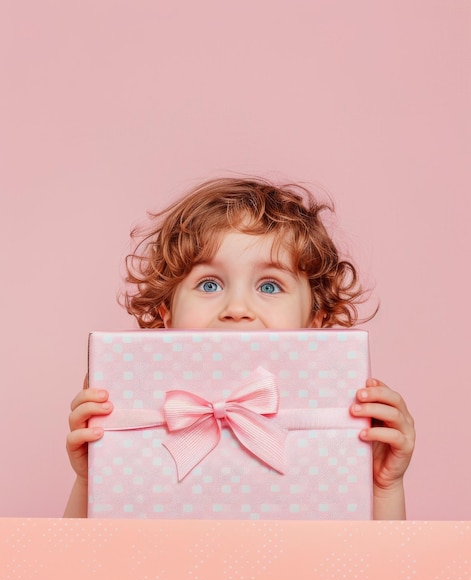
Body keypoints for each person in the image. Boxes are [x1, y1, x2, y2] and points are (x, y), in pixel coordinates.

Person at [65, 177, 415, 519]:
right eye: (209, 283)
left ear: (316, 320)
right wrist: (89, 477)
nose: (237, 308)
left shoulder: (345, 413)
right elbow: (79, 566)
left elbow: (379, 570)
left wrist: (384, 486)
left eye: (269, 287)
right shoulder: (128, 400)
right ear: (166, 314)